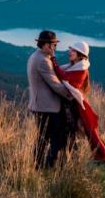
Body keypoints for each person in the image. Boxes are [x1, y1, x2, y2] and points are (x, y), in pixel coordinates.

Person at [51, 41, 105, 163]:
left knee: (78, 132)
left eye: (73, 50)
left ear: (80, 55)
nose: (70, 52)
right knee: (73, 131)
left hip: (74, 106)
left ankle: (98, 155)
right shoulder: (74, 67)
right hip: (72, 104)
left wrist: (54, 61)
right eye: (70, 49)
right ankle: (71, 157)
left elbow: (65, 78)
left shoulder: (82, 70)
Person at [27, 30, 74, 169]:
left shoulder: (36, 56)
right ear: (46, 45)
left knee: (42, 137)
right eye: (53, 45)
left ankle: (39, 166)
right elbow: (55, 84)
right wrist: (72, 95)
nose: (55, 48)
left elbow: (53, 73)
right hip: (47, 107)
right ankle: (45, 166)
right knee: (53, 138)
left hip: (40, 105)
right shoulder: (43, 61)